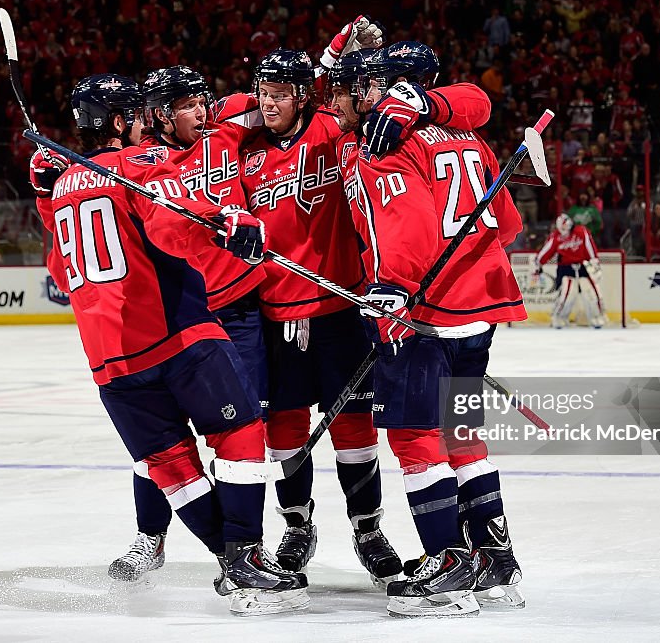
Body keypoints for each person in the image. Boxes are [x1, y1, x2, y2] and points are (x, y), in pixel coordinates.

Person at [29, 73, 307, 615]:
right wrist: (226, 217)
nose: (146, 122)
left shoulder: (62, 190)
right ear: (117, 123)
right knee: (242, 426)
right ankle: (245, 551)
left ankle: (230, 565)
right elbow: (172, 228)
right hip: (176, 335)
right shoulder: (138, 165)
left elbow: (63, 276)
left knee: (172, 466)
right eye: (137, 115)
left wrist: (44, 197)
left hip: (109, 360)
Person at [349, 41, 528, 617]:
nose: (364, 91)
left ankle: (447, 560)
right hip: (483, 301)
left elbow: (409, 227)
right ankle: (494, 558)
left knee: (413, 432)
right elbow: (510, 222)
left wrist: (394, 291)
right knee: (463, 432)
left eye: (373, 81)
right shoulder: (468, 137)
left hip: (427, 308)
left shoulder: (389, 141)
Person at [102, 65, 270, 584]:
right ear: (156, 113)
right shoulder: (137, 165)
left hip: (235, 309)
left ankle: (250, 545)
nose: (201, 111)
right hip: (174, 315)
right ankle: (150, 536)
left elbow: (285, 97)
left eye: (203, 100)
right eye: (188, 104)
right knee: (160, 441)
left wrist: (335, 57)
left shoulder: (226, 130)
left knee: (243, 430)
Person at [239, 48, 401, 585]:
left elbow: (365, 103)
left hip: (340, 307)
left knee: (354, 428)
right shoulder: (245, 144)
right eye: (263, 94)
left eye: (281, 94)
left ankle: (369, 529)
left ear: (306, 93)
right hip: (275, 312)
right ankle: (296, 525)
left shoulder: (333, 129)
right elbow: (216, 113)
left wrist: (335, 58)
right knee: (283, 432)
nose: (269, 104)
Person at [534, 213, 606, 328]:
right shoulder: (556, 236)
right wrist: (538, 263)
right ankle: (558, 317)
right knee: (566, 294)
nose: (564, 232)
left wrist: (594, 262)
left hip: (583, 266)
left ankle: (597, 316)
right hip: (565, 268)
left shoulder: (581, 231)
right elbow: (546, 252)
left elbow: (589, 247)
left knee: (591, 292)